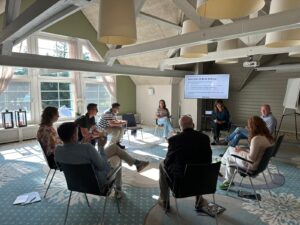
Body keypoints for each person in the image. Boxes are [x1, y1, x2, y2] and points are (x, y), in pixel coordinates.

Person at [55, 122, 149, 197]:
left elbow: (72, 154)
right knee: (117, 157)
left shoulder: (58, 150)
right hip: (97, 184)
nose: (78, 135)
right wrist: (100, 147)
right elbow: (102, 167)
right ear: (73, 136)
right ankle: (118, 189)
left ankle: (137, 163)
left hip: (74, 184)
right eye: (77, 133)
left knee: (114, 148)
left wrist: (81, 144)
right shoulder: (87, 148)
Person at [158, 115, 212, 210]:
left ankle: (164, 200)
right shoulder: (205, 138)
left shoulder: (174, 140)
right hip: (203, 182)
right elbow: (208, 160)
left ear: (180, 127)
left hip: (181, 185)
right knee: (199, 167)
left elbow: (167, 162)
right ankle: (199, 199)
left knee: (162, 164)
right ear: (193, 125)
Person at [219, 116, 273, 190]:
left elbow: (251, 158)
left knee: (230, 156)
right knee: (231, 149)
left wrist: (241, 151)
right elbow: (256, 153)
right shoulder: (265, 137)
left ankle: (227, 179)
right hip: (259, 164)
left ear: (253, 127)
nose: (247, 127)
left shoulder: (256, 139)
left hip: (251, 166)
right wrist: (242, 150)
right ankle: (223, 163)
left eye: (248, 125)